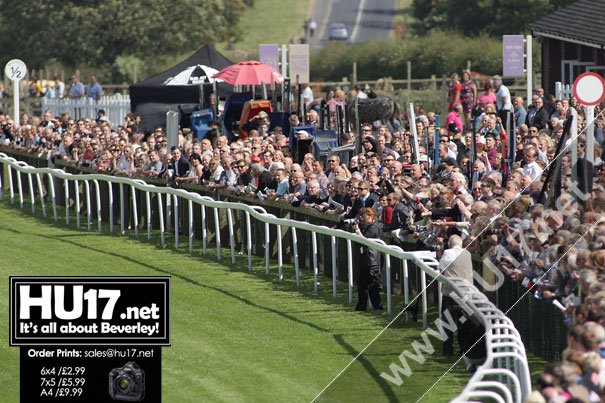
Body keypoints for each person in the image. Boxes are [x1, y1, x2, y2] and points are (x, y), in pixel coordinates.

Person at [439, 235, 473, 356]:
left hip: (450, 295)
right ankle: (464, 350)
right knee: (464, 324)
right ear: (462, 245)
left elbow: (441, 269)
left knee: (447, 324)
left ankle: (448, 351)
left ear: (449, 245)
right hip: (467, 295)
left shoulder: (448, 252)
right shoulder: (467, 254)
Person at [352, 208, 383, 311]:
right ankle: (364, 307)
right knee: (364, 286)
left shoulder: (374, 228)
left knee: (371, 287)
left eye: (364, 218)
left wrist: (357, 229)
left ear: (371, 217)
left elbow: (364, 240)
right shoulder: (370, 226)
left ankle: (374, 307)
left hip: (372, 261)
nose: (363, 220)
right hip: (367, 260)